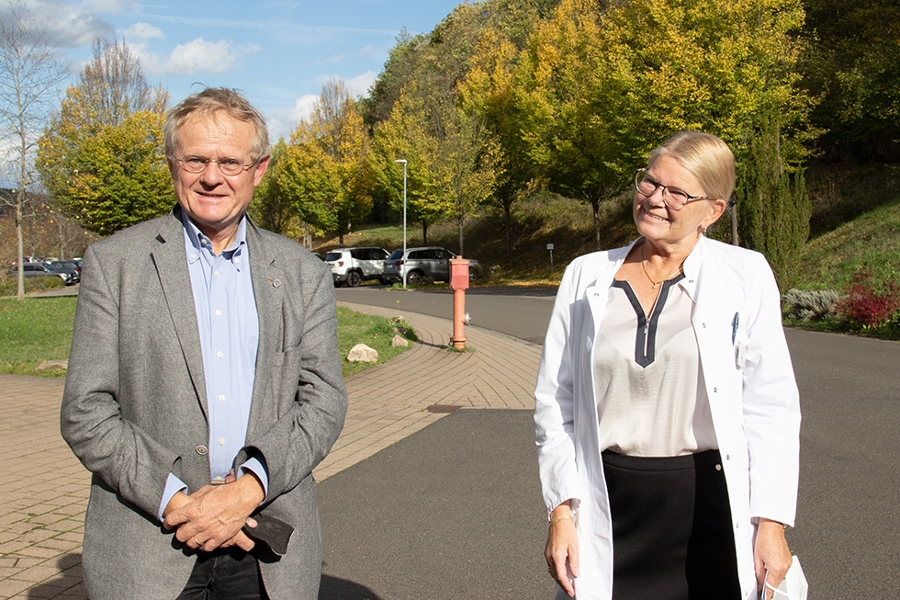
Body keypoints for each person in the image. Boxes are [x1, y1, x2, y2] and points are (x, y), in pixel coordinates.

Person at [60, 88, 348, 600]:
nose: (212, 177)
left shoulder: (303, 273)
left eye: (230, 161)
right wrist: (179, 502)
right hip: (150, 546)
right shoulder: (114, 264)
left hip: (265, 547)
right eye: (196, 159)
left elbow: (322, 401)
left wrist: (245, 492)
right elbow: (87, 410)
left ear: (258, 169)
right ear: (173, 163)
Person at [534, 131, 800, 600]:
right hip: (609, 507)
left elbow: (772, 409)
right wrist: (561, 512)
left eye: (677, 192)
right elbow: (557, 403)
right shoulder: (585, 275)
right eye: (650, 183)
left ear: (713, 211)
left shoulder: (745, 275)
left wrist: (772, 524)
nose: (656, 199)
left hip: (710, 509)